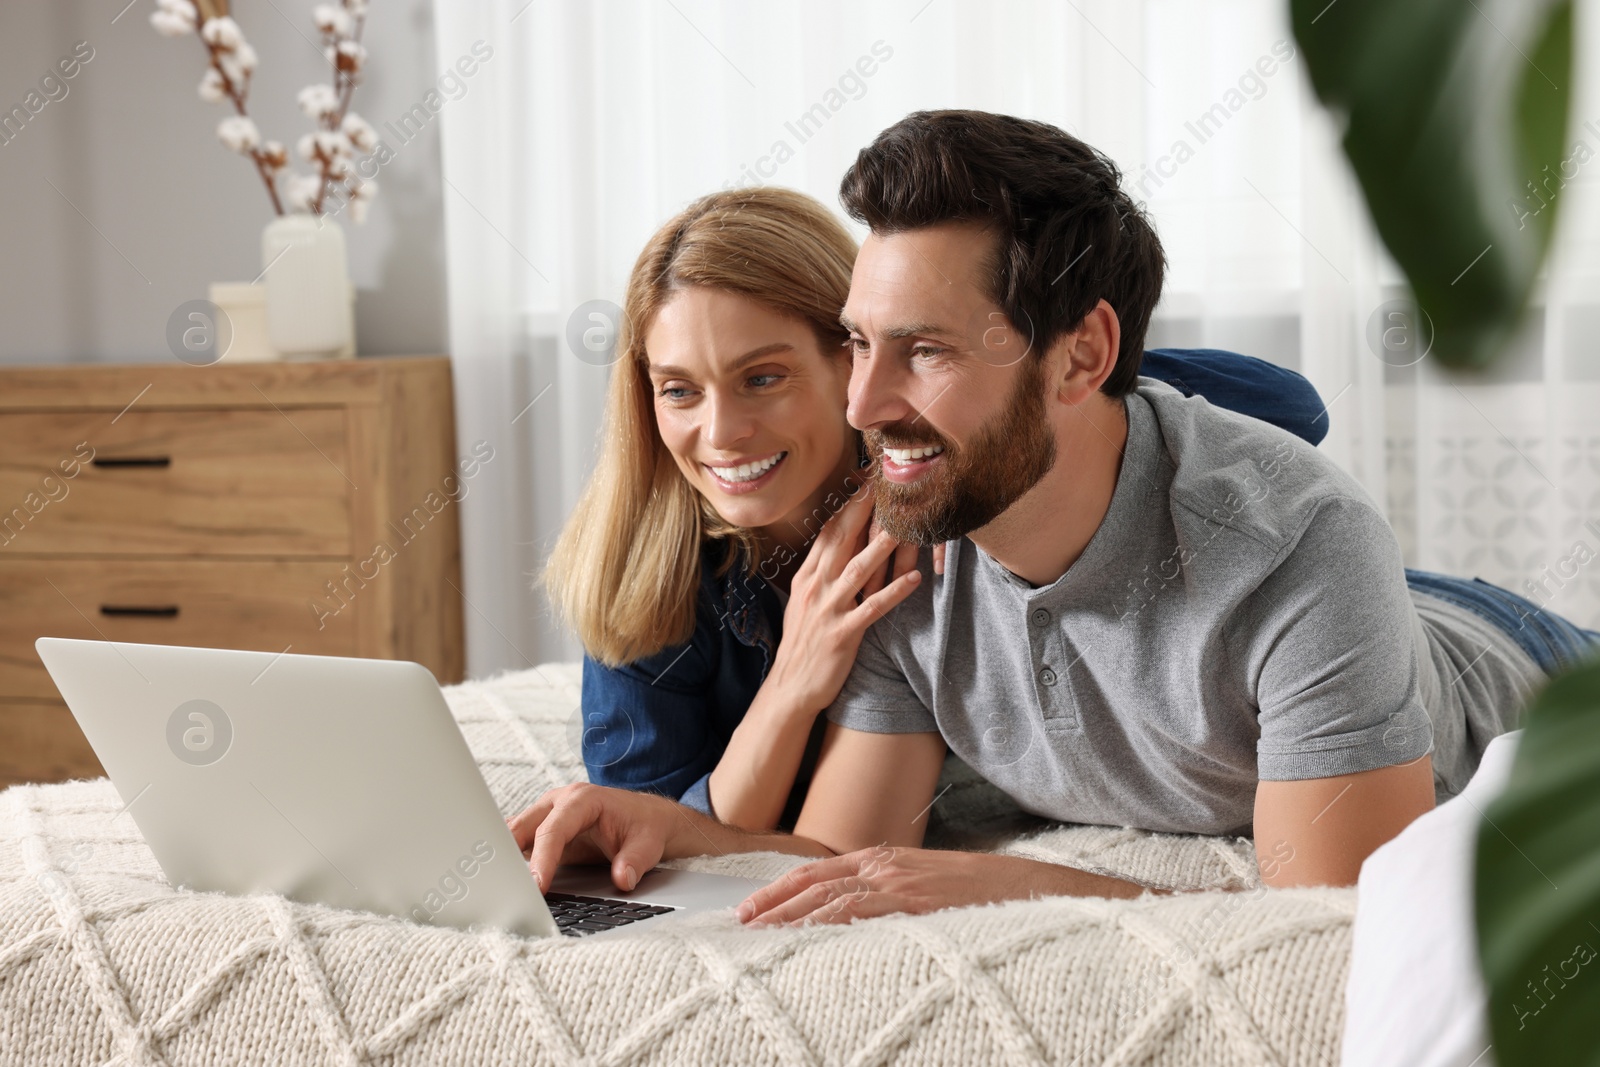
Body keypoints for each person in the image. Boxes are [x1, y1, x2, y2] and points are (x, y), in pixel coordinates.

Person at [544, 185, 1332, 837]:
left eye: (762, 378)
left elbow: (1294, 408)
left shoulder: (951, 465)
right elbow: (660, 830)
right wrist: (793, 682)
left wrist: (974, 429)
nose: (719, 433)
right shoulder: (642, 568)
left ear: (853, 355)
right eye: (678, 389)